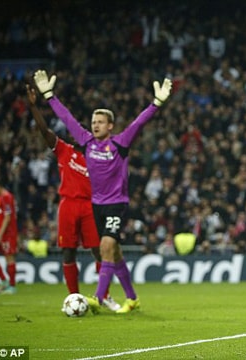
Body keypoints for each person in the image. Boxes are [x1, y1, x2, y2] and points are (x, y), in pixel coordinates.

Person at [33, 69, 172, 314]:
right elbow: (67, 119)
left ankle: (98, 297)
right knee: (115, 253)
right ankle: (132, 299)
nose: (94, 125)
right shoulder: (86, 142)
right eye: (93, 122)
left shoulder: (120, 143)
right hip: (96, 205)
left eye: (99, 122)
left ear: (110, 125)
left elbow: (139, 122)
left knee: (106, 246)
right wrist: (49, 96)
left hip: (117, 203)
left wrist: (156, 103)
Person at [26, 85, 119, 311]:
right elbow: (44, 130)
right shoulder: (64, 151)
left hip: (90, 206)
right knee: (69, 251)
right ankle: (73, 298)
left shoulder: (97, 156)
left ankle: (104, 295)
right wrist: (33, 107)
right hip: (68, 205)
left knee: (99, 250)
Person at [0, 178, 18, 295]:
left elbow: (7, 217)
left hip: (8, 233)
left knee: (9, 258)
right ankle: (4, 281)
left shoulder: (6, 197)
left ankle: (12, 286)